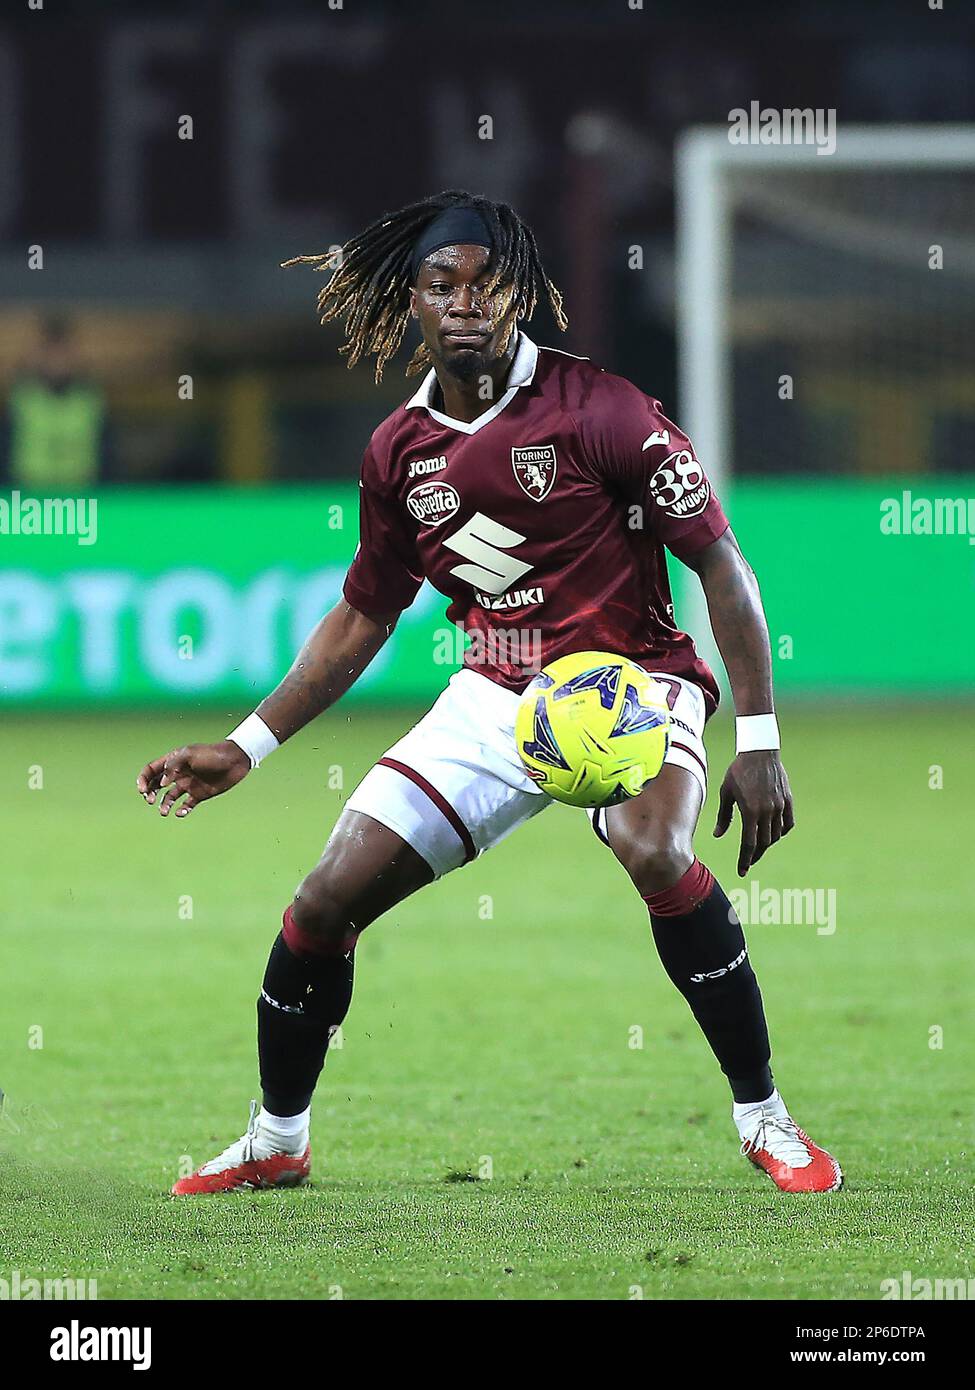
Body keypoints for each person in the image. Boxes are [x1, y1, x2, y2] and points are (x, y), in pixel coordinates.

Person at [137, 191, 841, 1197]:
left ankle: (766, 1119)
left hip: (633, 680)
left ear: (519, 296)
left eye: (488, 282)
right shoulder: (397, 453)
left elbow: (722, 568)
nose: (466, 301)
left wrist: (761, 737)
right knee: (323, 899)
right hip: (496, 694)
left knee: (654, 845)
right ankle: (276, 1138)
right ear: (411, 300)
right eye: (443, 284)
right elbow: (362, 617)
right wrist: (244, 747)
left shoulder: (603, 409)